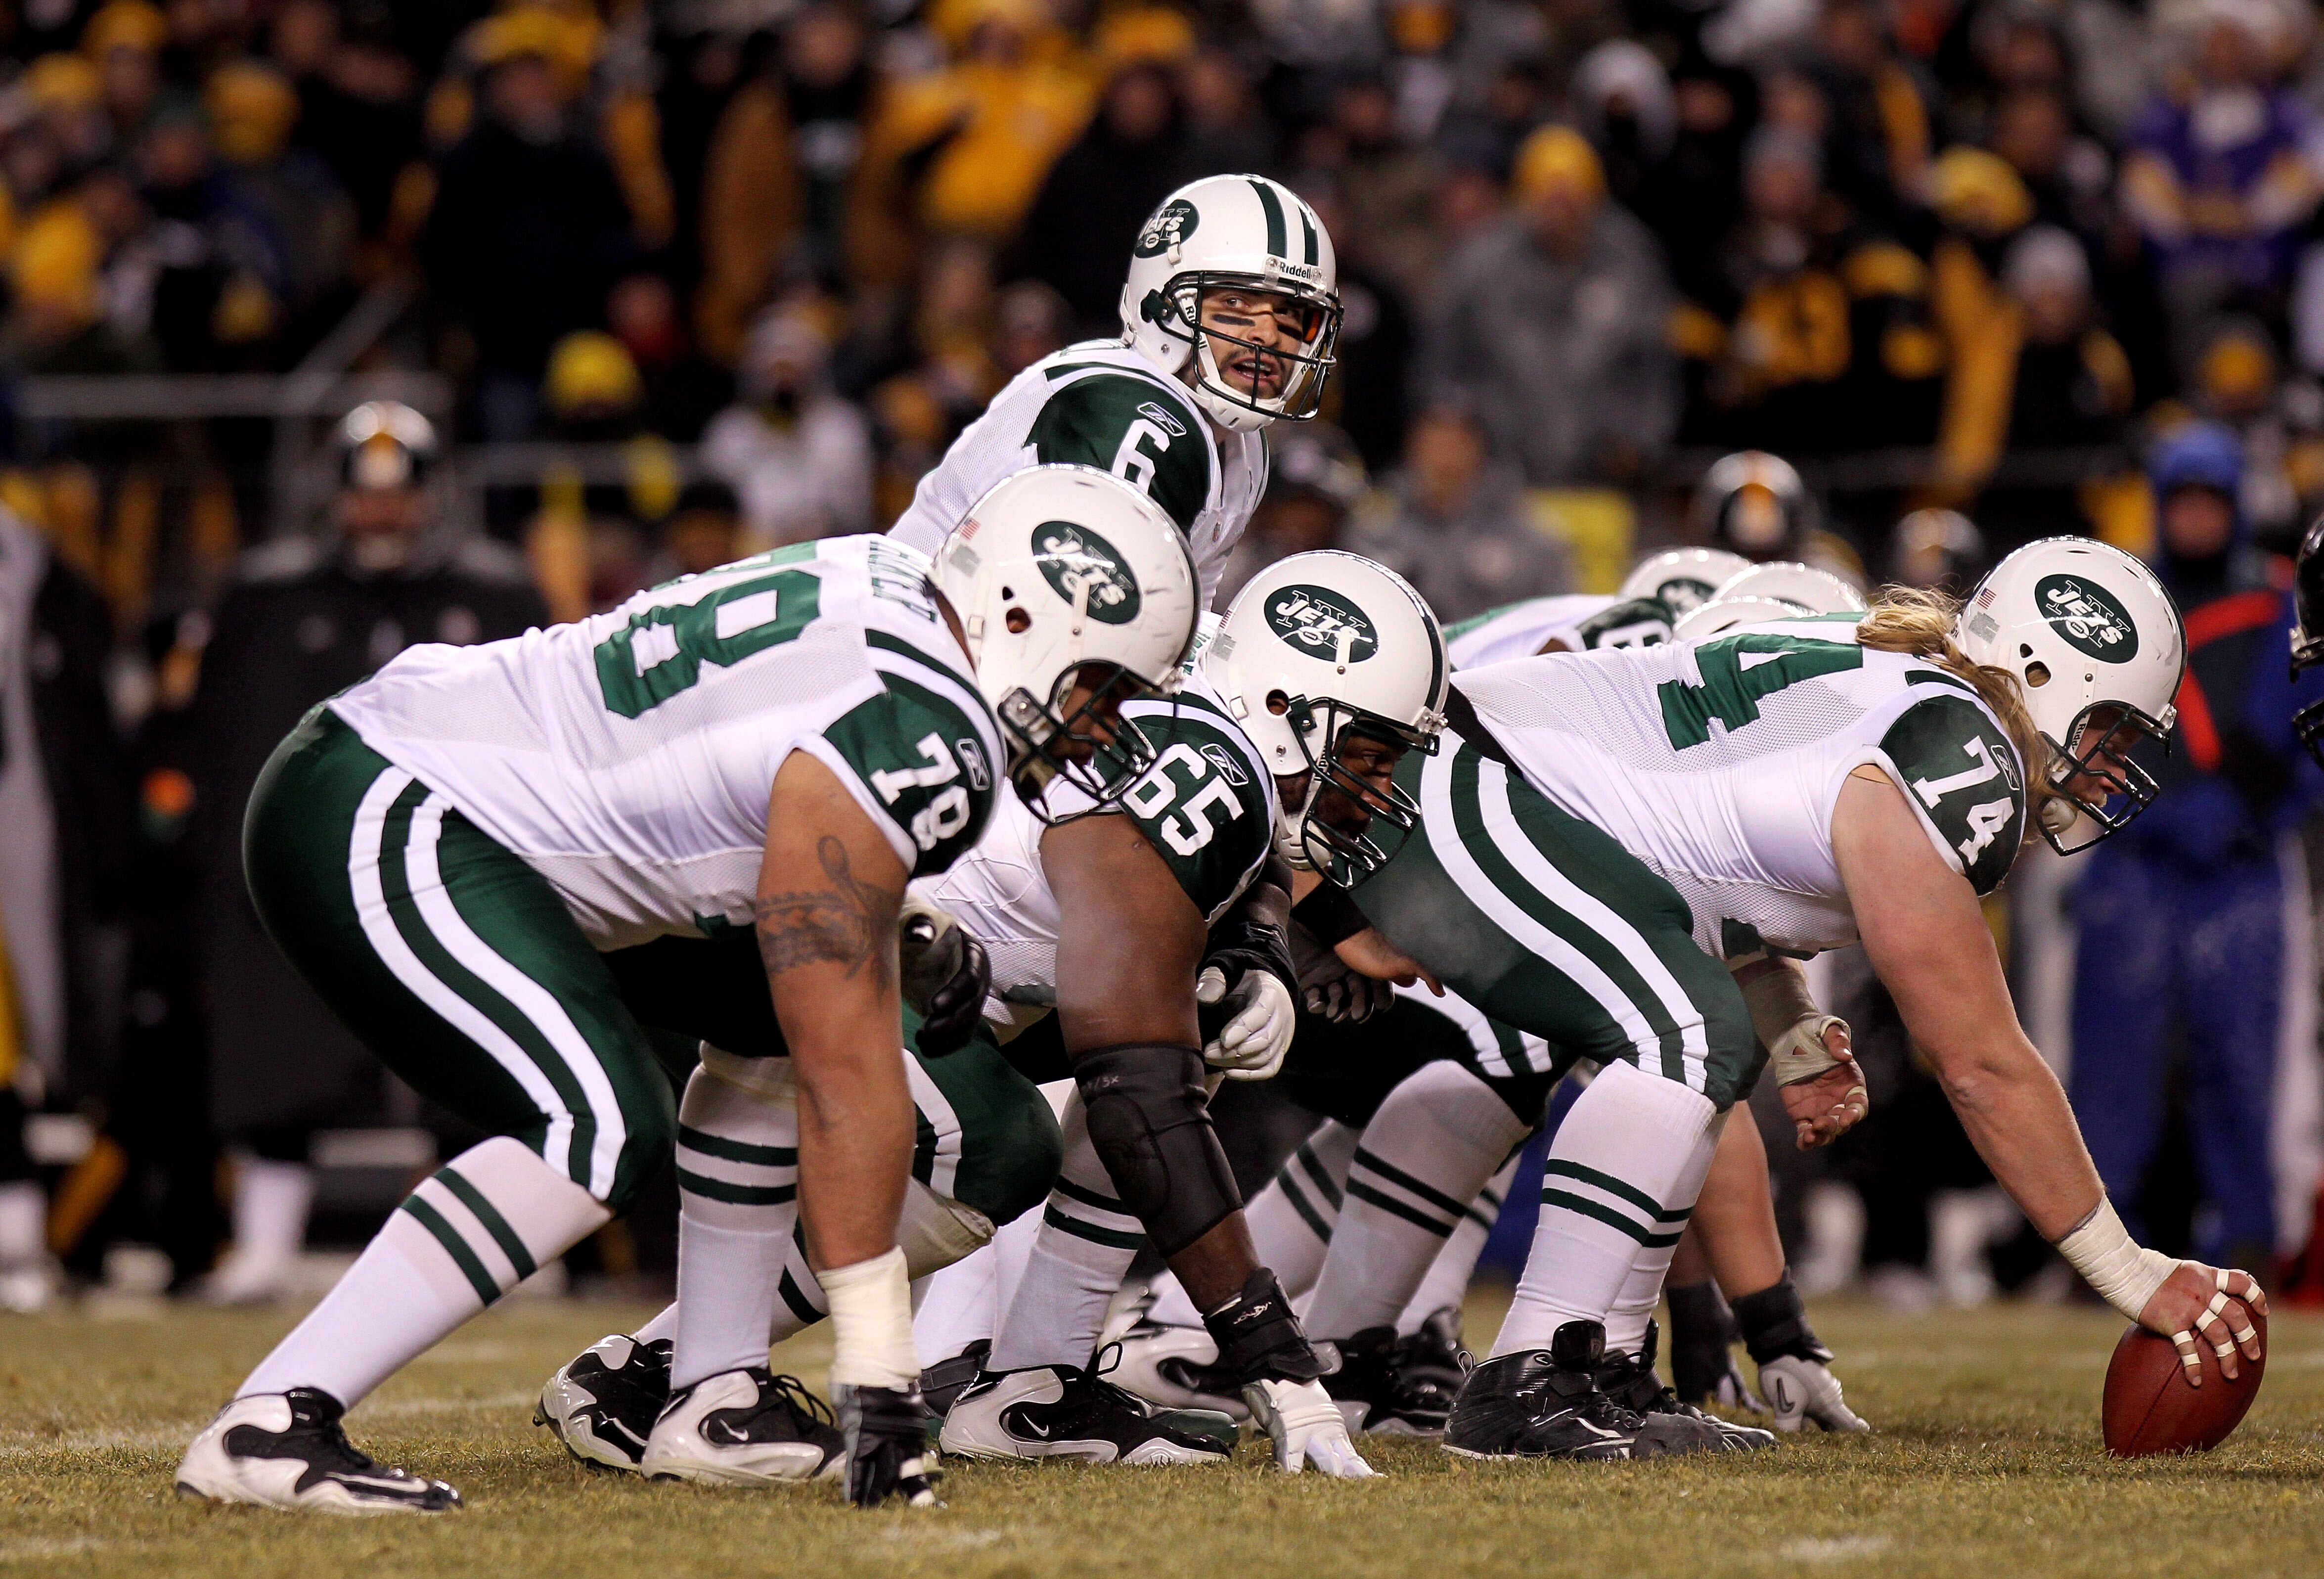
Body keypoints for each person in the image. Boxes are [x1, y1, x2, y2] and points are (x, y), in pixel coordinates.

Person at [172, 465, 1203, 1513]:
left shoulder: (886, 574)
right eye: (1104, 687)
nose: (1101, 729)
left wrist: (900, 918)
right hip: (400, 803)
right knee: (598, 1123)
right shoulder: (930, 721)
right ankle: (274, 1418)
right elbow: (846, 1069)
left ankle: (715, 1396)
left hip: (447, 788)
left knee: (755, 1019)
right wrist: (881, 1370)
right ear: (1022, 615)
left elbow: (743, 783)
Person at [1305, 538, 2266, 1459]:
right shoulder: (1958, 749)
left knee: (1680, 1040)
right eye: (2108, 730)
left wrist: (1790, 1025)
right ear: (2046, 677)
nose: (2107, 765)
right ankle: (1529, 1378)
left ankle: (1592, 1366)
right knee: (1685, 1032)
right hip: (1466, 780)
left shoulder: (1895, 671)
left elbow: (1689, 855)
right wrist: (2132, 1271)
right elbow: (1980, 1063)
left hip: (1470, 775)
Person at [538, 550, 1442, 1479]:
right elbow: (1141, 1095)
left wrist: (1256, 942)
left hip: (917, 946)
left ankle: (1032, 1386)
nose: (1371, 788)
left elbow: (1225, 867)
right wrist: (1274, 1359)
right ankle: (656, 1371)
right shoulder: (1211, 771)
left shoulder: (1216, 701)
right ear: (1289, 711)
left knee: (1196, 1018)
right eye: (1367, 752)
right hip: (869, 937)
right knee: (1006, 1142)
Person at [181, 402, 545, 1306]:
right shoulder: (268, 598)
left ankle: (507, 1241)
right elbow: (218, 744)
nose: (381, 512)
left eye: (398, 494)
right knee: (279, 1041)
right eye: (364, 494)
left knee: (473, 1036)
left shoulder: (497, 594)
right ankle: (265, 1243)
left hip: (452, 858)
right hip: (312, 863)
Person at [2070, 425, 2322, 1274]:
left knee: (2244, 1055)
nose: (2197, 517)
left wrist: (2248, 805)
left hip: (2243, 863)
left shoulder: (2279, 597)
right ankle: (2103, 1246)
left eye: (2212, 501)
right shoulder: (2120, 602)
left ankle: (2251, 1236)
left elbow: (2299, 713)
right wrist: (2139, 811)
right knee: (2112, 1058)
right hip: (2135, 856)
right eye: (2183, 500)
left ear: (2238, 506)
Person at [889, 172, 1341, 612]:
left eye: (1292, 314)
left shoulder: (1246, 450)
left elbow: (1176, 635)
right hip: (906, 641)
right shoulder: (1124, 410)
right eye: (1236, 303)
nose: (1268, 333)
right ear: (1164, 304)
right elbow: (1076, 628)